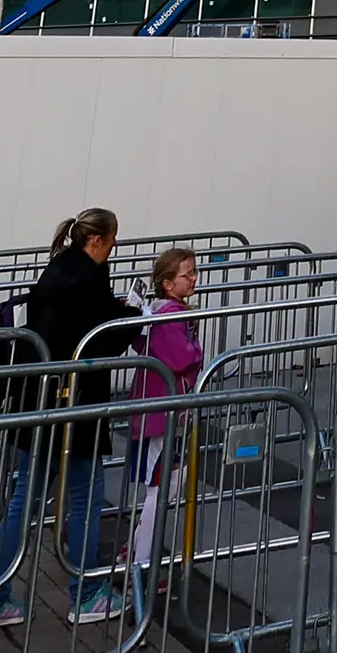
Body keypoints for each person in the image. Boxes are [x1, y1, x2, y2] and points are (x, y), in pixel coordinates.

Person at [0, 208, 137, 628]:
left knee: (22, 502)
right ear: (99, 240)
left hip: (40, 401)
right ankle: (85, 595)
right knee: (84, 498)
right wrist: (133, 317)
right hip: (74, 405)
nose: (115, 248)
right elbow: (97, 338)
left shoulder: (60, 270)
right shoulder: (86, 280)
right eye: (114, 240)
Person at [118, 248, 206, 583]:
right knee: (162, 483)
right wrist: (197, 351)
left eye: (194, 272)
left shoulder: (157, 312)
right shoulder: (170, 314)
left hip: (157, 407)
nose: (194, 278)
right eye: (188, 274)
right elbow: (181, 357)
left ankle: (139, 549)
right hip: (161, 409)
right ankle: (141, 563)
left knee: (168, 477)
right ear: (168, 284)